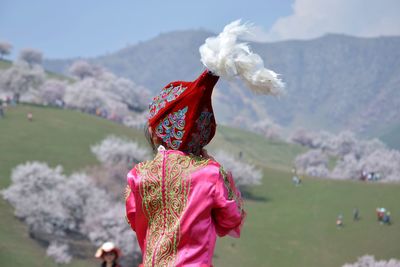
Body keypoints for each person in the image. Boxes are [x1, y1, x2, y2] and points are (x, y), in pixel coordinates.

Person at [125, 20, 283, 267]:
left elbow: (134, 218)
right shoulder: (209, 173)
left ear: (156, 133)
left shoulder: (137, 176)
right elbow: (231, 219)